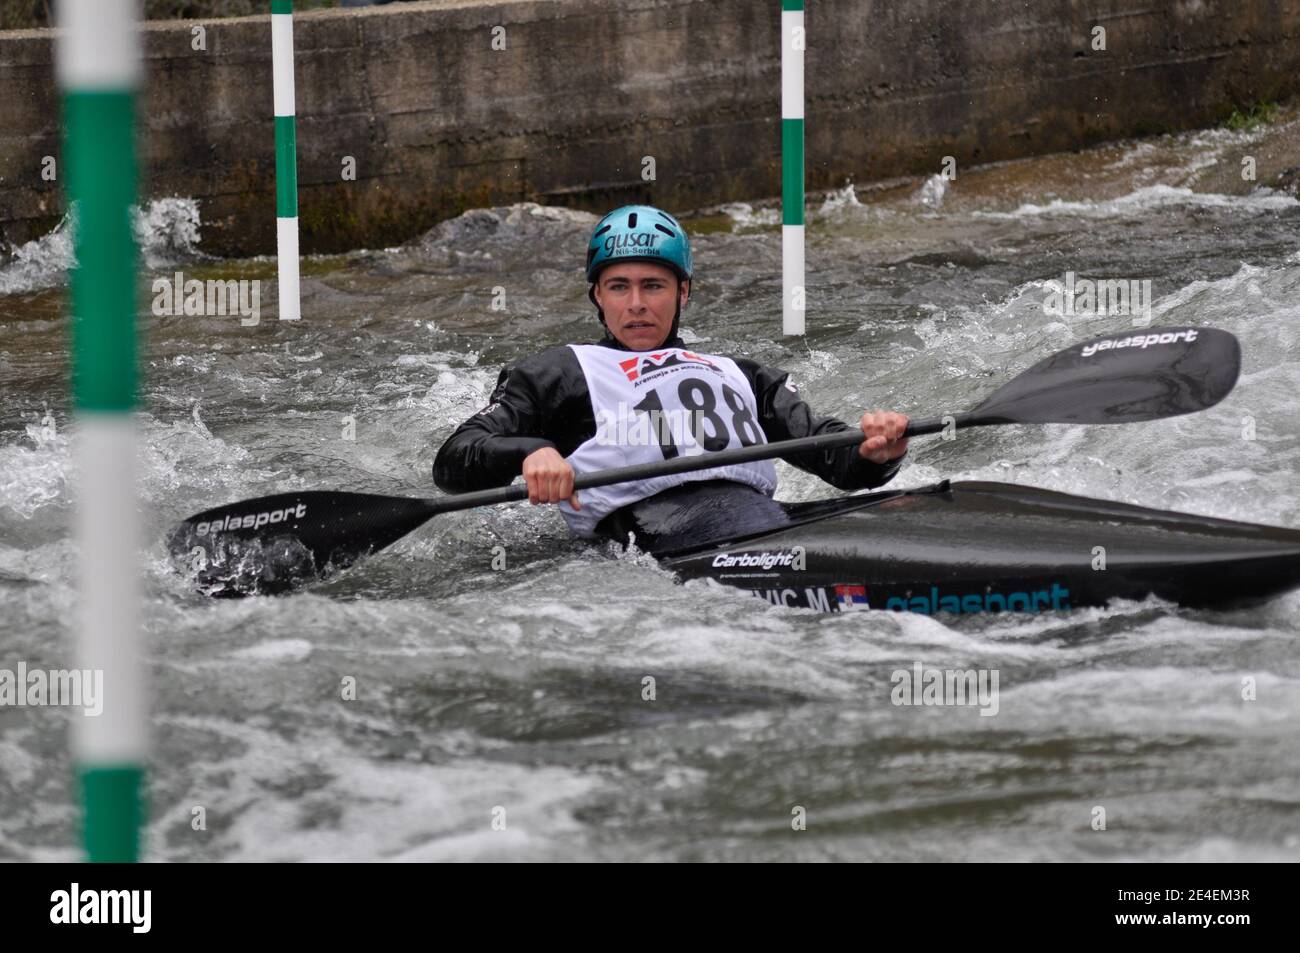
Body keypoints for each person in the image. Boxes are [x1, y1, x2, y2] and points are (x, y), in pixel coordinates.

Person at [433, 204, 909, 553]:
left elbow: (833, 456)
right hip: (656, 545)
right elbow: (455, 461)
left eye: (653, 286)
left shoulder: (740, 374)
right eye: (619, 287)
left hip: (762, 522)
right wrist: (530, 451)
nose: (636, 304)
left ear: (683, 292)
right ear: (598, 296)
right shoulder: (561, 373)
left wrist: (874, 452)